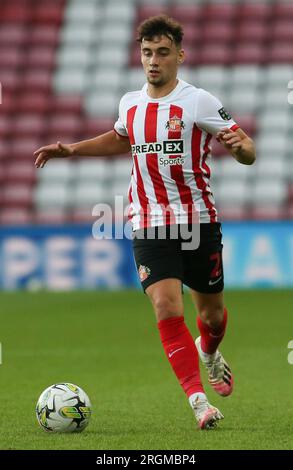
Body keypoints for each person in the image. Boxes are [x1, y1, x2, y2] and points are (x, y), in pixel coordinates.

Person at [34, 16, 256, 430]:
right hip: (148, 222)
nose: (153, 61)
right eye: (147, 53)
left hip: (198, 222)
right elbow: (121, 138)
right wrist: (72, 150)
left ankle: (208, 351)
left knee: (211, 316)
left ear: (180, 55)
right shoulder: (130, 103)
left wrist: (242, 148)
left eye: (162, 53)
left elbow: (247, 150)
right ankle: (198, 402)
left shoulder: (199, 102)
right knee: (165, 305)